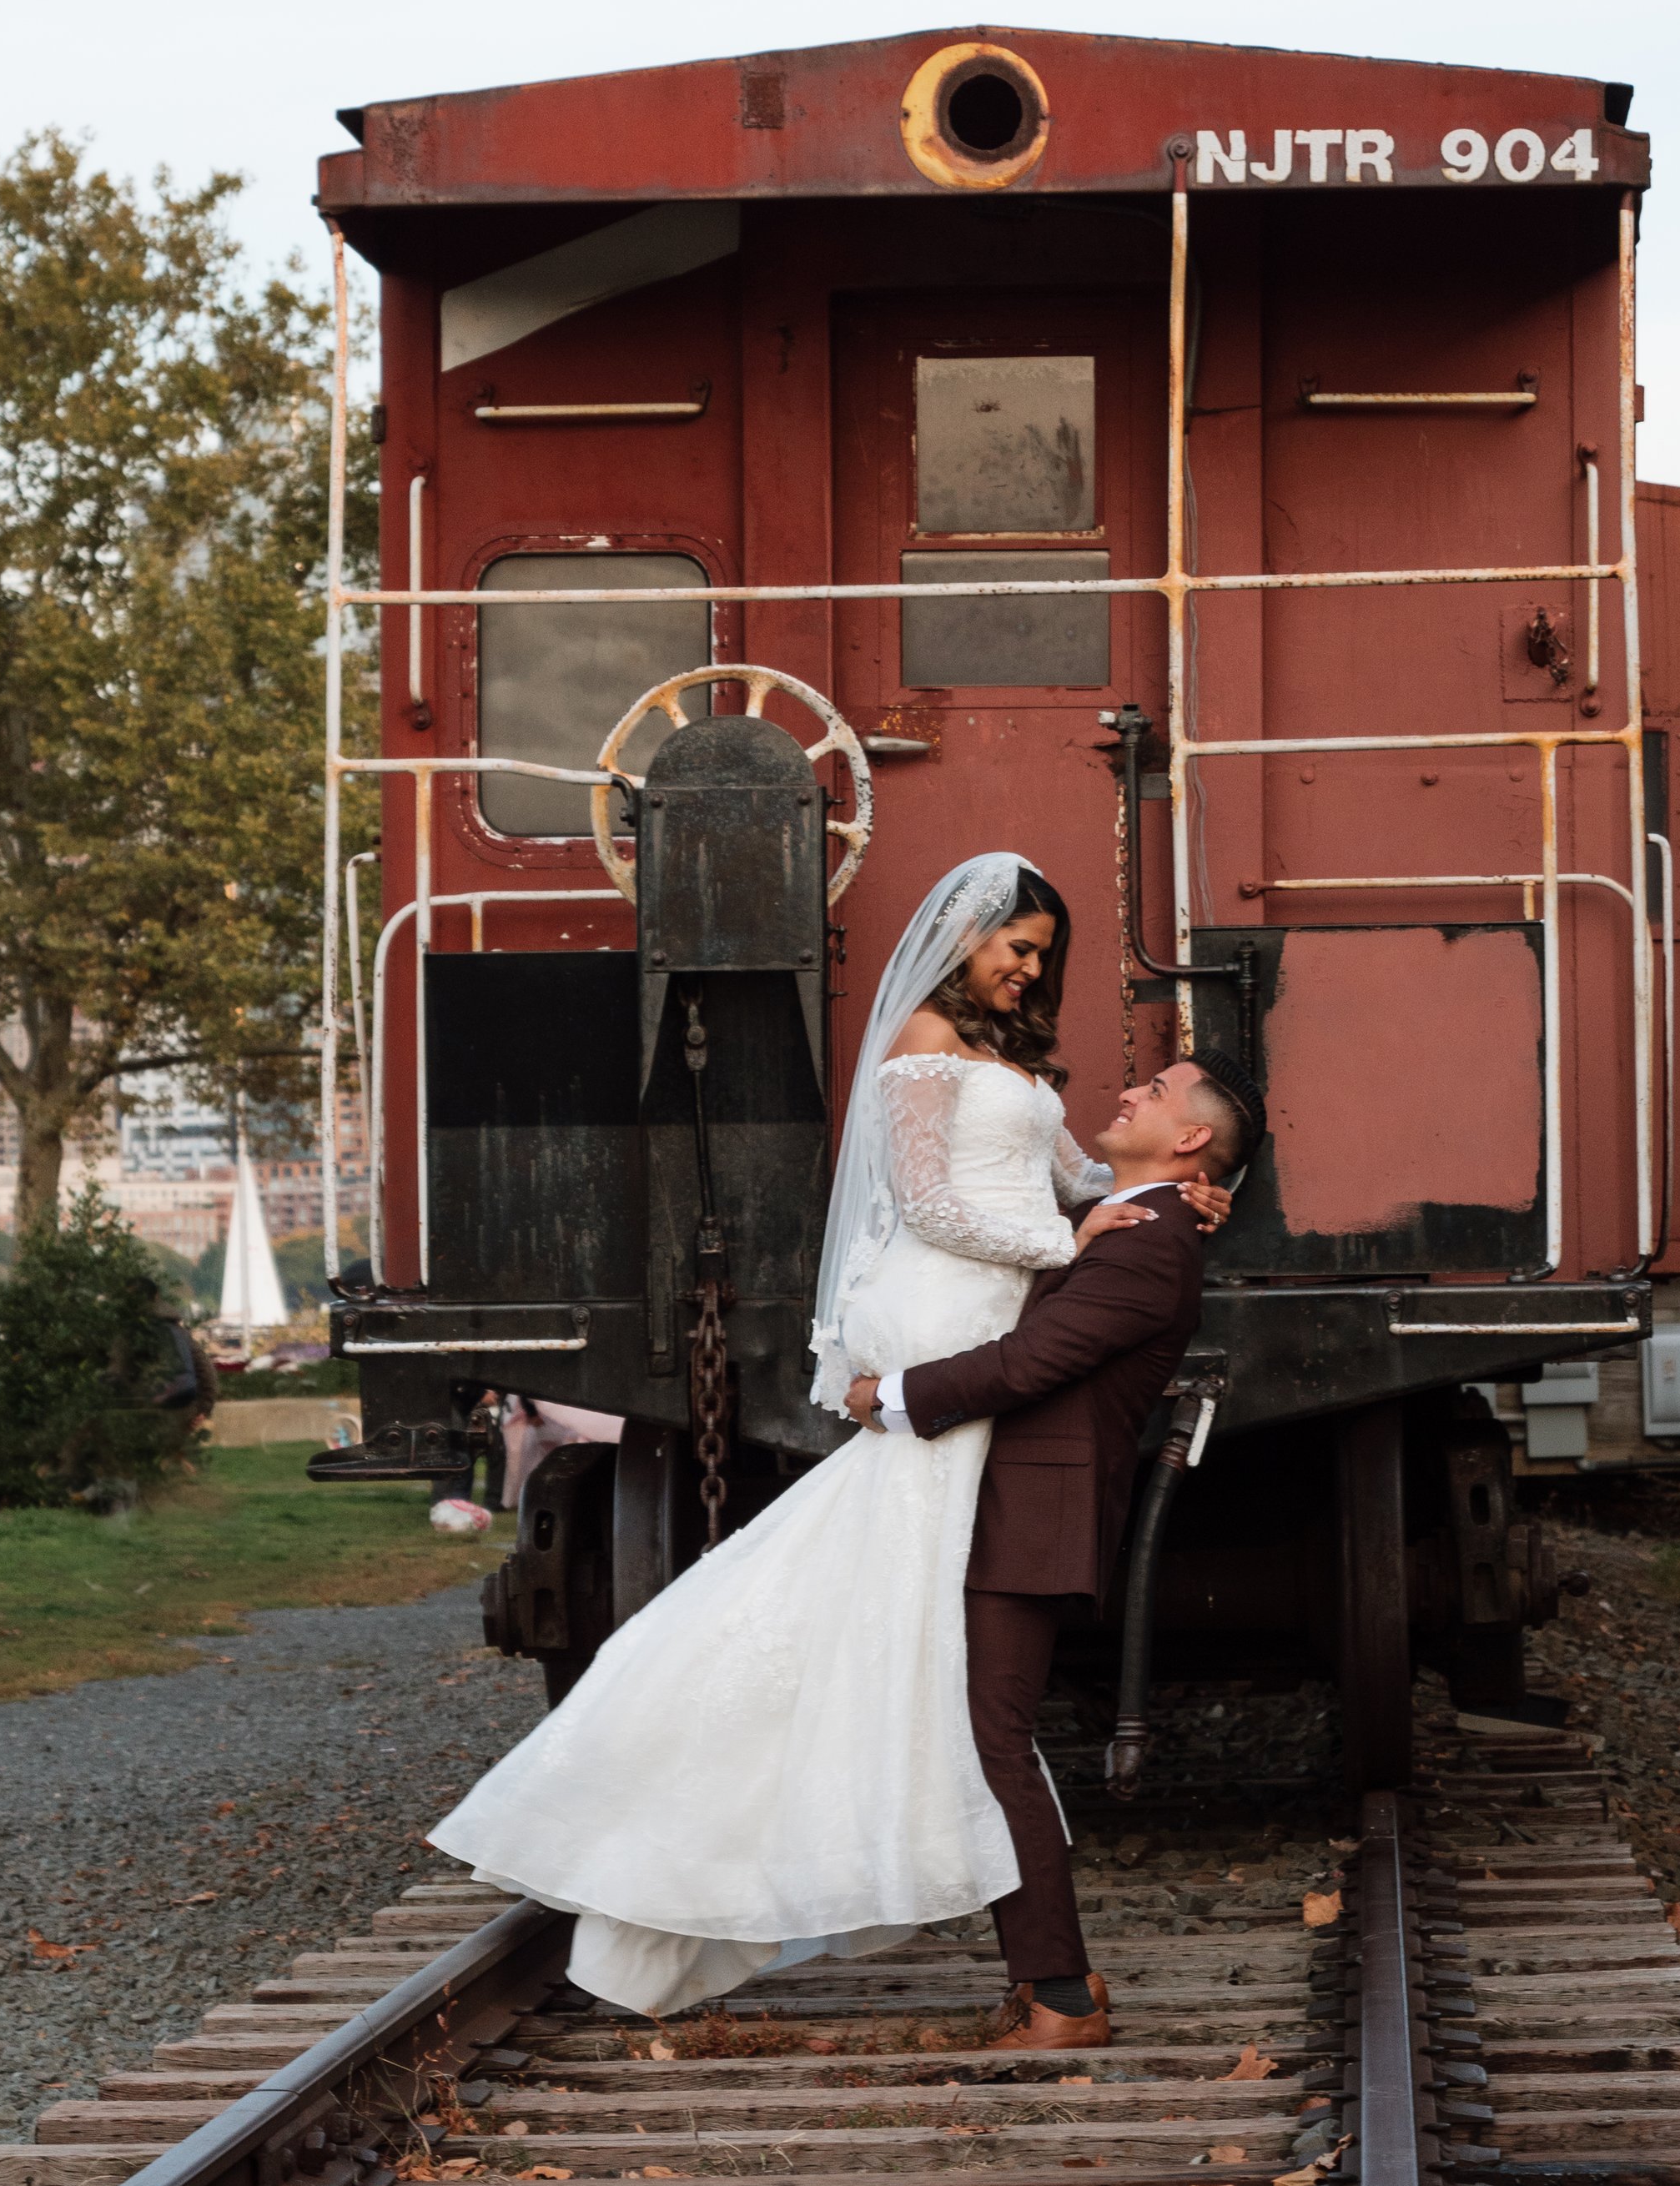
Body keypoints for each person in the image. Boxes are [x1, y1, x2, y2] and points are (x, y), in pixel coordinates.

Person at [425, 851, 1227, 2019]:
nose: (1029, 969)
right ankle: (1029, 1965)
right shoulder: (921, 1042)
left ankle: (1032, 1962)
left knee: (912, 1672)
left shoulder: (1019, 1071)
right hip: (950, 1320)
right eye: (1021, 946)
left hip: (982, 1346)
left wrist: (1146, 1204)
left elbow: (1073, 1180)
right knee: (924, 1674)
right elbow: (931, 1204)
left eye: (1044, 956)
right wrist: (1083, 1241)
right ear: (971, 937)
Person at [848, 1047, 1266, 2048]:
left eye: (1154, 1092)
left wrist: (892, 1397)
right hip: (1009, 1501)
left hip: (1033, 1515)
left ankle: (1060, 1998)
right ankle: (1052, 1982)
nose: (1124, 1092)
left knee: (992, 1739)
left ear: (1191, 1138)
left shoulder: (1152, 1241)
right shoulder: (1135, 1223)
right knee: (986, 1736)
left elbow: (1038, 1359)